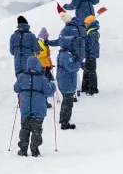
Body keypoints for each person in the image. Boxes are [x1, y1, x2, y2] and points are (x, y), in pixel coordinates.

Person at [9, 16, 56, 157]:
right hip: (38, 106)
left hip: (18, 65)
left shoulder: (13, 36)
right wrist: (52, 86)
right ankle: (34, 149)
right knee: (36, 128)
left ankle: (23, 149)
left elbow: (12, 51)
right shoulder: (31, 36)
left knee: (24, 127)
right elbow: (37, 49)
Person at [53, 15, 84, 128]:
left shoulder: (61, 53)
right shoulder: (67, 55)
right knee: (68, 102)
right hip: (68, 82)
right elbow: (70, 67)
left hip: (63, 81)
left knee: (66, 101)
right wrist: (79, 64)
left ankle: (63, 119)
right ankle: (65, 122)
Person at [80, 9, 102, 94]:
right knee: (87, 70)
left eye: (87, 23)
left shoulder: (92, 33)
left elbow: (90, 44)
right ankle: (85, 86)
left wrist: (85, 47)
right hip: (89, 54)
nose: (85, 25)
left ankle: (92, 88)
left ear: (90, 24)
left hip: (91, 54)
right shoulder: (90, 31)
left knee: (91, 71)